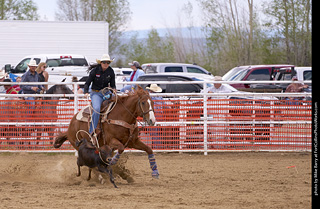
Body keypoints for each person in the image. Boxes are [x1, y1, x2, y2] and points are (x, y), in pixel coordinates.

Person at [83, 54, 116, 137]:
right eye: (104, 62)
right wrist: (86, 92)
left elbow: (113, 85)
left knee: (117, 104)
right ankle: (92, 130)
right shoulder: (95, 71)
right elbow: (87, 83)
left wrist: (113, 92)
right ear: (101, 63)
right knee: (97, 109)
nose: (106, 64)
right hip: (96, 93)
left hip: (106, 93)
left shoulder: (111, 71)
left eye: (108, 62)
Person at [146, 84, 164, 149]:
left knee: (154, 132)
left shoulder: (149, 97)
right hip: (160, 115)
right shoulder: (160, 96)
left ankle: (156, 147)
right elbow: (165, 105)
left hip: (153, 115)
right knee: (157, 132)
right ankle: (157, 147)